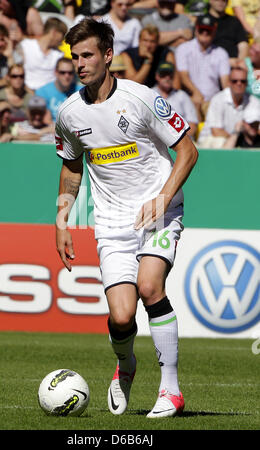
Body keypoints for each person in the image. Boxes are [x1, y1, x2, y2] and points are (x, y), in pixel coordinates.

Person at [55, 18, 198, 418]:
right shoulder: (68, 114)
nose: (80, 64)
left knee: (150, 287)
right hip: (112, 223)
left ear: (107, 55)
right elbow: (71, 167)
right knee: (121, 316)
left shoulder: (142, 98)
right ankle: (127, 364)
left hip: (160, 211)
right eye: (74, 57)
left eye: (87, 55)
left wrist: (163, 197)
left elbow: (188, 151)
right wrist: (62, 220)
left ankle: (171, 390)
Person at [175, 14, 230, 121]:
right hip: (190, 98)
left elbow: (225, 82)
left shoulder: (221, 53)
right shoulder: (183, 49)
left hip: (212, 102)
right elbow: (183, 75)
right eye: (202, 29)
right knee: (193, 104)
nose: (205, 33)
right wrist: (196, 93)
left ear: (214, 32)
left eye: (208, 30)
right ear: (196, 30)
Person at [197, 66, 260, 148]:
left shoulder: (254, 101)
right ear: (229, 83)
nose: (239, 84)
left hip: (237, 141)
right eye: (235, 81)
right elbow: (216, 132)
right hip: (210, 142)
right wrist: (235, 137)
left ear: (247, 83)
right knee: (220, 142)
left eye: (243, 81)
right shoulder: (218, 99)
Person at [18, 17, 67, 91]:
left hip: (50, 94)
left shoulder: (59, 55)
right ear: (54, 32)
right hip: (26, 92)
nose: (62, 40)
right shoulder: (26, 45)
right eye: (62, 35)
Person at [153, 61, 198, 138]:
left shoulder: (182, 95)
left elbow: (192, 125)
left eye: (170, 75)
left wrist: (179, 141)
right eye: (163, 74)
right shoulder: (150, 93)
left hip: (180, 141)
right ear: (157, 76)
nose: (167, 78)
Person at [35, 57, 81, 122]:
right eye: (62, 72)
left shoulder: (81, 92)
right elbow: (45, 121)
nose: (66, 76)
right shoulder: (42, 93)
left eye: (70, 72)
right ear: (56, 72)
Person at [208, 0, 249, 64]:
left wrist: (239, 63)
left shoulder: (234, 22)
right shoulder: (203, 21)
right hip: (210, 64)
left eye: (224, 0)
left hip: (233, 66)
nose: (221, 2)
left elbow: (243, 45)